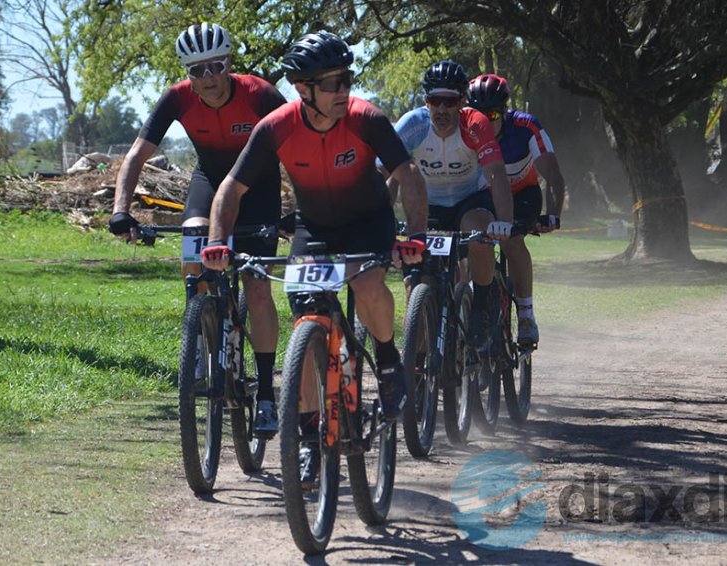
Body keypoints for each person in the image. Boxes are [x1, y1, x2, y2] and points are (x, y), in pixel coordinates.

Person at [200, 30, 428, 485]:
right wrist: (217, 241)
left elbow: (410, 175)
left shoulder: (367, 118)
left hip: (368, 223)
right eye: (332, 83)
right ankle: (308, 441)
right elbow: (231, 187)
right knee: (305, 327)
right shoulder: (277, 126)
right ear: (303, 90)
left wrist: (416, 235)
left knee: (366, 285)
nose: (343, 90)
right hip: (314, 230)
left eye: (346, 79)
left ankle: (386, 357)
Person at [108, 23, 286, 435]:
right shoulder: (177, 97)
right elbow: (137, 155)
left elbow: (297, 147)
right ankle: (203, 325)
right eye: (197, 70)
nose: (207, 77)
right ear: (188, 74)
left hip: (257, 189)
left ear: (229, 64)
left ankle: (265, 395)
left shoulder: (260, 94)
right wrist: (120, 210)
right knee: (193, 241)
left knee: (257, 287)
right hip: (209, 179)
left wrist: (304, 208)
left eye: (215, 65)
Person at [390, 60, 514, 350]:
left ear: (462, 102)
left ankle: (482, 305)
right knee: (417, 283)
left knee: (478, 232)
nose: (442, 109)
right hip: (428, 205)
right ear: (426, 101)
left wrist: (504, 222)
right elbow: (388, 176)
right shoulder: (413, 125)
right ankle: (417, 367)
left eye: (451, 101)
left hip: (469, 200)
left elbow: (496, 172)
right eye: (436, 101)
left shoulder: (475, 125)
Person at [467, 73, 567, 346]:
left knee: (511, 242)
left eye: (494, 114)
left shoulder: (525, 126)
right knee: (468, 243)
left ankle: (525, 313)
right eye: (480, 114)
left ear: (505, 111)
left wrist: (553, 214)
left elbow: (553, 174)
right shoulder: (464, 128)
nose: (487, 122)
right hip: (484, 197)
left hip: (523, 194)